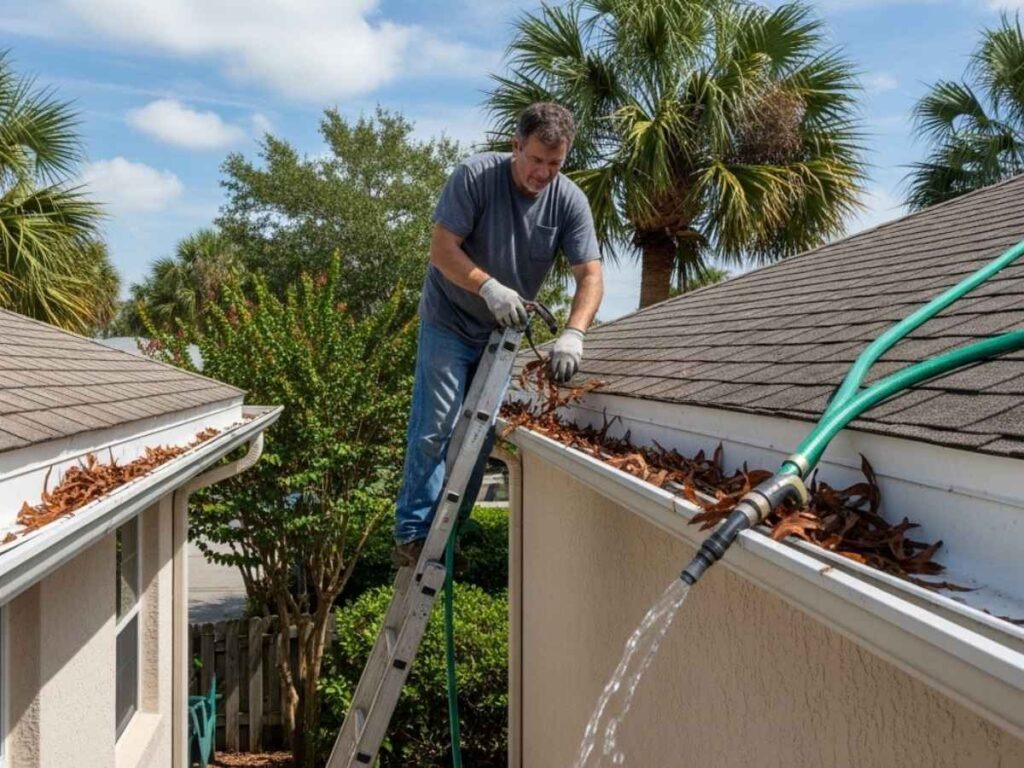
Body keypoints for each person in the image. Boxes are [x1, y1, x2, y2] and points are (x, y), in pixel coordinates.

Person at [391, 102, 604, 567]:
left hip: (500, 335)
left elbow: (590, 274)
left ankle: (445, 538)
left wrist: (574, 334)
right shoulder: (475, 177)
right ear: (515, 146)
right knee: (438, 426)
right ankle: (412, 533)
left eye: (555, 164)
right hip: (449, 320)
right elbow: (442, 251)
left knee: (479, 437)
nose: (543, 173)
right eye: (535, 160)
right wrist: (487, 287)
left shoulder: (568, 200)